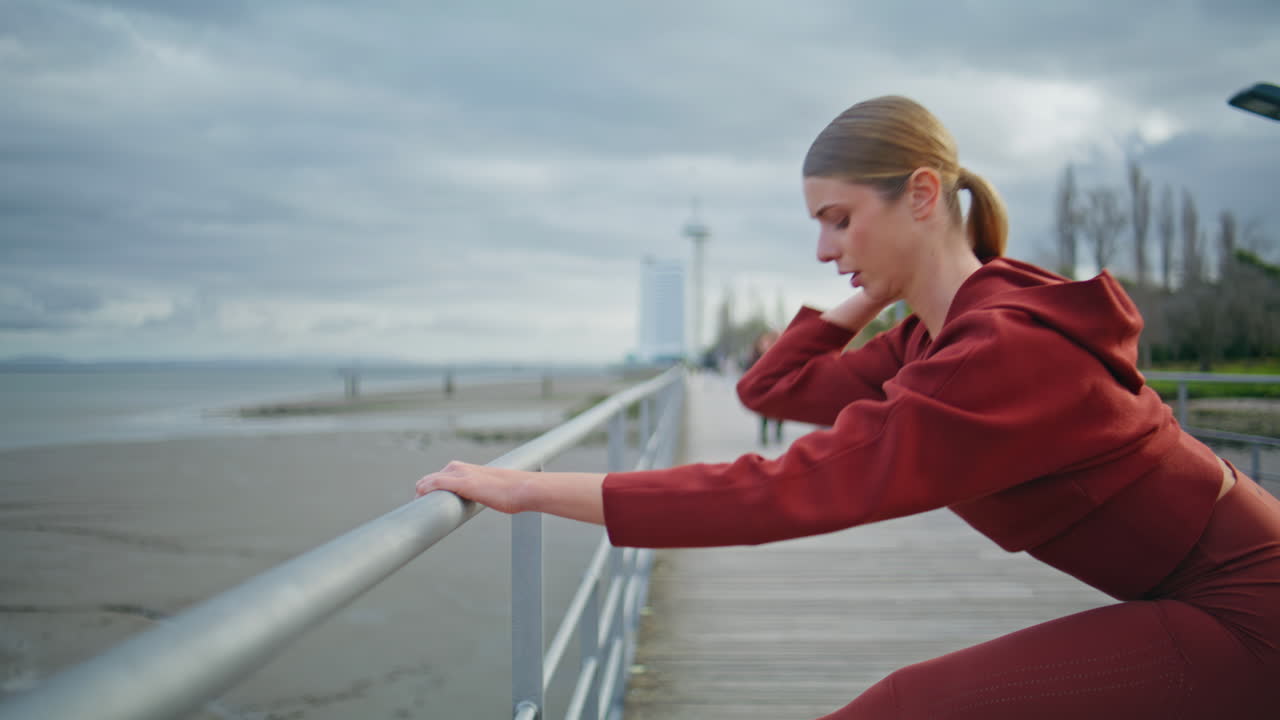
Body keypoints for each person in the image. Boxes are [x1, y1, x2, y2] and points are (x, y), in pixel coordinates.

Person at [416, 96, 1280, 718]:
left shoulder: (999, 352)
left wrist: (532, 489)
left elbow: (777, 490)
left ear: (922, 194)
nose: (823, 249)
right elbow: (771, 391)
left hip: (1249, 610)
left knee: (907, 706)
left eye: (839, 221)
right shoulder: (939, 337)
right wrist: (873, 291)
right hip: (1200, 595)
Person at [744, 329, 785, 445]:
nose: (766, 344)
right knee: (764, 413)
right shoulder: (756, 356)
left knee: (779, 411)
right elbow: (748, 370)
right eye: (764, 342)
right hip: (762, 387)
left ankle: (778, 433)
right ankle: (764, 436)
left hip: (777, 387)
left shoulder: (780, 353)